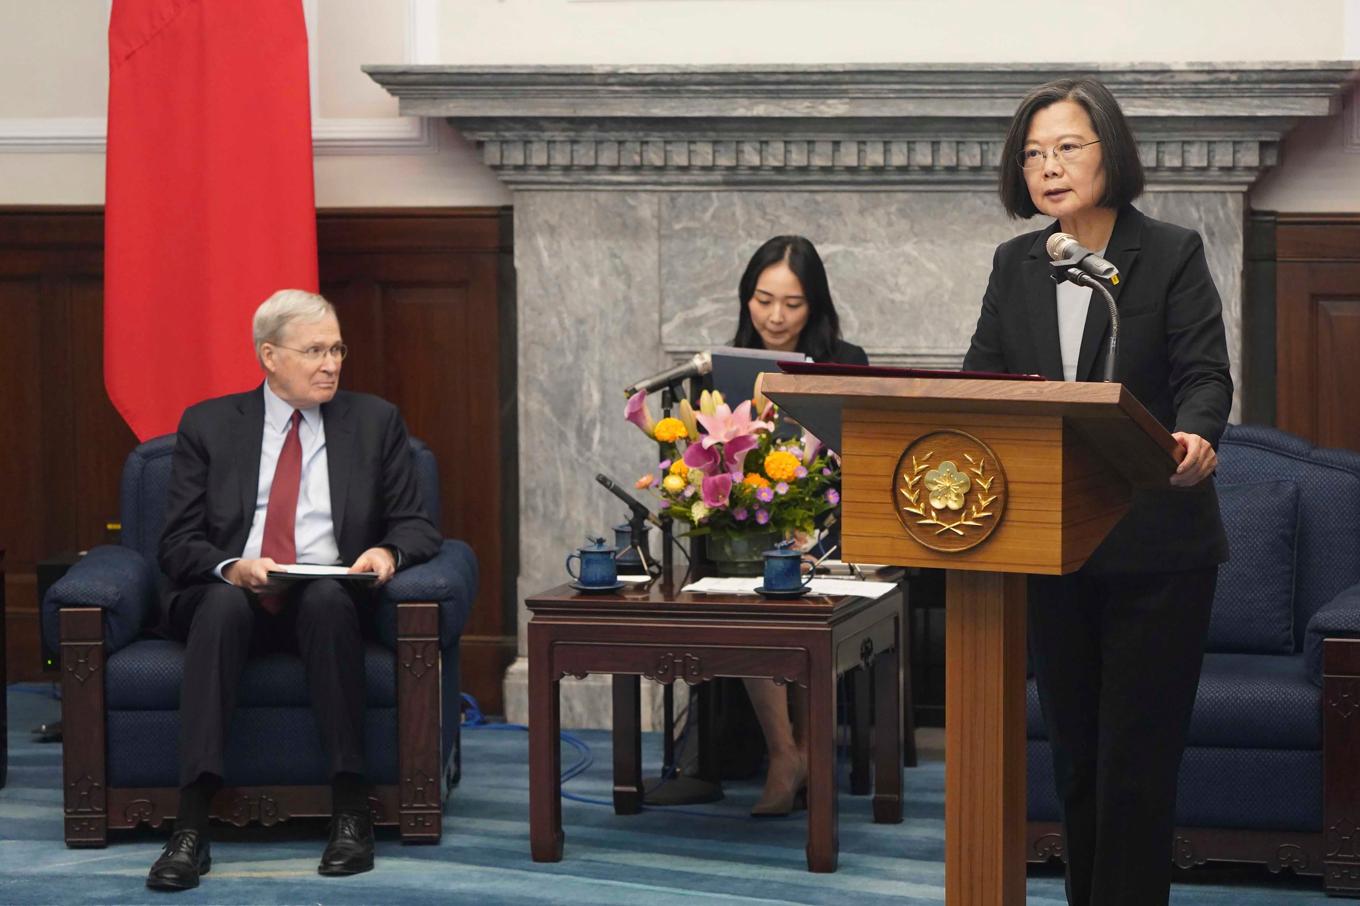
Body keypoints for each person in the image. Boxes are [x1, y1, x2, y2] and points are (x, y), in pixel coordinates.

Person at [963, 77, 1231, 905]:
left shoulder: (1171, 251)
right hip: (1054, 544)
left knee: (1136, 768)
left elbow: (1204, 376)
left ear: (1110, 152)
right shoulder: (1016, 265)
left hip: (1158, 549)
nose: (1048, 166)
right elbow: (981, 383)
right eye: (1033, 153)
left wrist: (1196, 436)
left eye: (1067, 147)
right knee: (1077, 761)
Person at [148, 289, 441, 891]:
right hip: (229, 594)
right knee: (226, 603)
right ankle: (191, 826)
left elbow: (416, 523)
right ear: (270, 356)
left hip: (325, 596)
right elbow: (176, 542)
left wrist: (387, 552)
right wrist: (235, 566)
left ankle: (351, 810)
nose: (331, 363)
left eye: (336, 348)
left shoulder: (375, 420)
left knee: (330, 600)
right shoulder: (208, 423)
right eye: (313, 351)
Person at [727, 235, 866, 816]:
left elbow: (862, 466)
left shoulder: (847, 362)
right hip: (756, 532)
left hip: (837, 531)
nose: (776, 317)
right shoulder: (729, 363)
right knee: (742, 596)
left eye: (792, 304)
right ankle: (786, 754)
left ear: (815, 306)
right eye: (763, 301)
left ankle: (812, 751)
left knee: (809, 603)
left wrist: (821, 542)